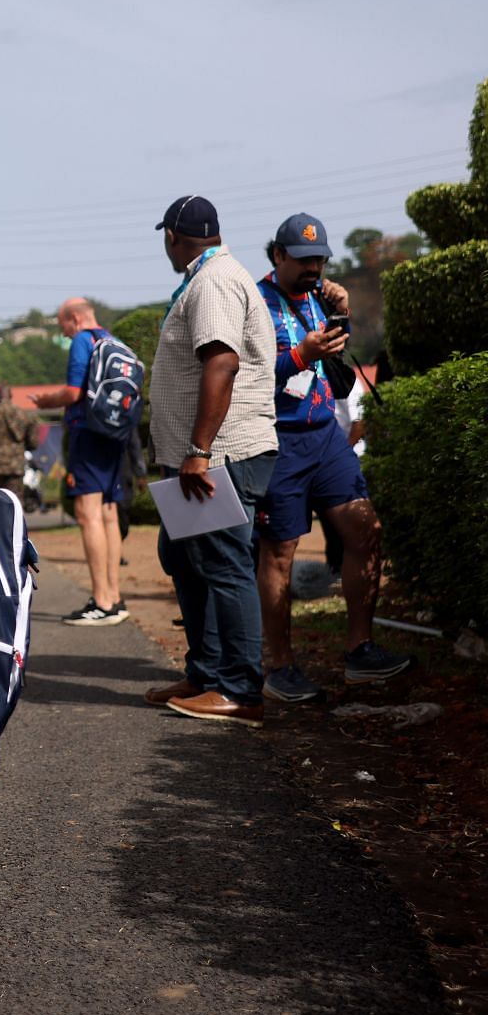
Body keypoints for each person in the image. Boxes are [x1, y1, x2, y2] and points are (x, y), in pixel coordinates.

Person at [253, 213, 412, 703]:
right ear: (278, 255)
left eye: (319, 259)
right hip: (278, 441)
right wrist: (300, 354)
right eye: (302, 260)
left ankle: (360, 651)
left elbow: (337, 361)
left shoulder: (321, 297)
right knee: (280, 553)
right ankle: (279, 666)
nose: (312, 268)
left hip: (326, 435)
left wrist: (339, 317)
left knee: (366, 528)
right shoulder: (255, 304)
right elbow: (249, 375)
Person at [141, 195, 280, 726]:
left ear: (173, 237)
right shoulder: (210, 277)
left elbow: (220, 362)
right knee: (182, 556)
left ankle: (240, 689)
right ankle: (205, 674)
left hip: (219, 453)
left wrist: (199, 451)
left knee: (223, 565)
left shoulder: (214, 281)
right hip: (199, 456)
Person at [32, 299, 127, 625]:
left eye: (63, 327)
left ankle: (101, 601)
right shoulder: (112, 340)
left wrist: (46, 401)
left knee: (89, 515)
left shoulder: (83, 341)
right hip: (115, 434)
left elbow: (73, 393)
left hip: (87, 433)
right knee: (109, 513)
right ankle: (114, 596)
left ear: (74, 319)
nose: (63, 332)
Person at [0, 395, 41, 509]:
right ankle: (15, 526)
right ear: (11, 395)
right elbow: (33, 443)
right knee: (14, 501)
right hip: (15, 465)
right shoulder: (23, 415)